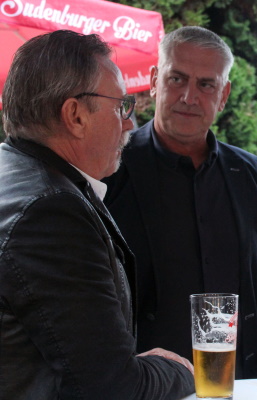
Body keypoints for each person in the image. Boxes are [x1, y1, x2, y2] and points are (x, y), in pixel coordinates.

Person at [0, 30, 195, 399]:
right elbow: (114, 387)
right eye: (121, 105)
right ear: (75, 116)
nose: (129, 124)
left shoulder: (19, 176)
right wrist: (179, 369)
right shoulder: (51, 214)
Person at [103, 26, 257, 379]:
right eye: (177, 78)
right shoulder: (109, 167)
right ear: (153, 80)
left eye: (206, 85)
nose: (189, 96)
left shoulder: (256, 175)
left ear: (224, 95)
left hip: (242, 385)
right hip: (144, 387)